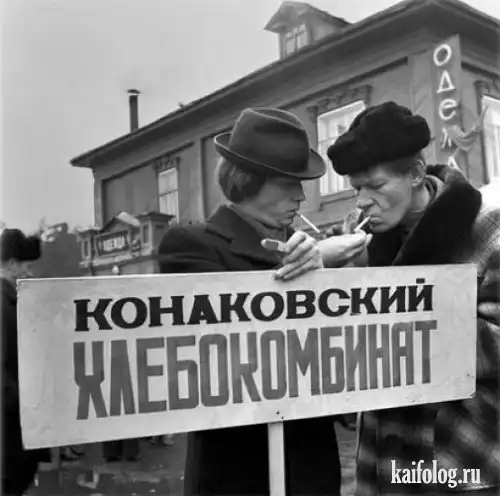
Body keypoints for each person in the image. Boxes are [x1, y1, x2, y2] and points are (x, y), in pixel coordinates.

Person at [156, 107, 370, 496]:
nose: (300, 196)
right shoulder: (190, 244)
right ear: (248, 180)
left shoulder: (303, 245)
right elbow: (226, 344)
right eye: (288, 183)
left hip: (310, 465)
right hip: (240, 468)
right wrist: (312, 262)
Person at [322, 101, 500, 495]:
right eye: (356, 188)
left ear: (416, 173)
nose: (362, 200)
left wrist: (402, 323)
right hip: (382, 451)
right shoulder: (359, 233)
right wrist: (318, 261)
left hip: (460, 452)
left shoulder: (488, 228)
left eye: (375, 185)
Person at [1, 229, 50, 495]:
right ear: (11, 264)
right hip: (11, 435)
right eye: (26, 266)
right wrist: (32, 400)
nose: (29, 273)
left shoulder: (13, 301)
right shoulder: (4, 305)